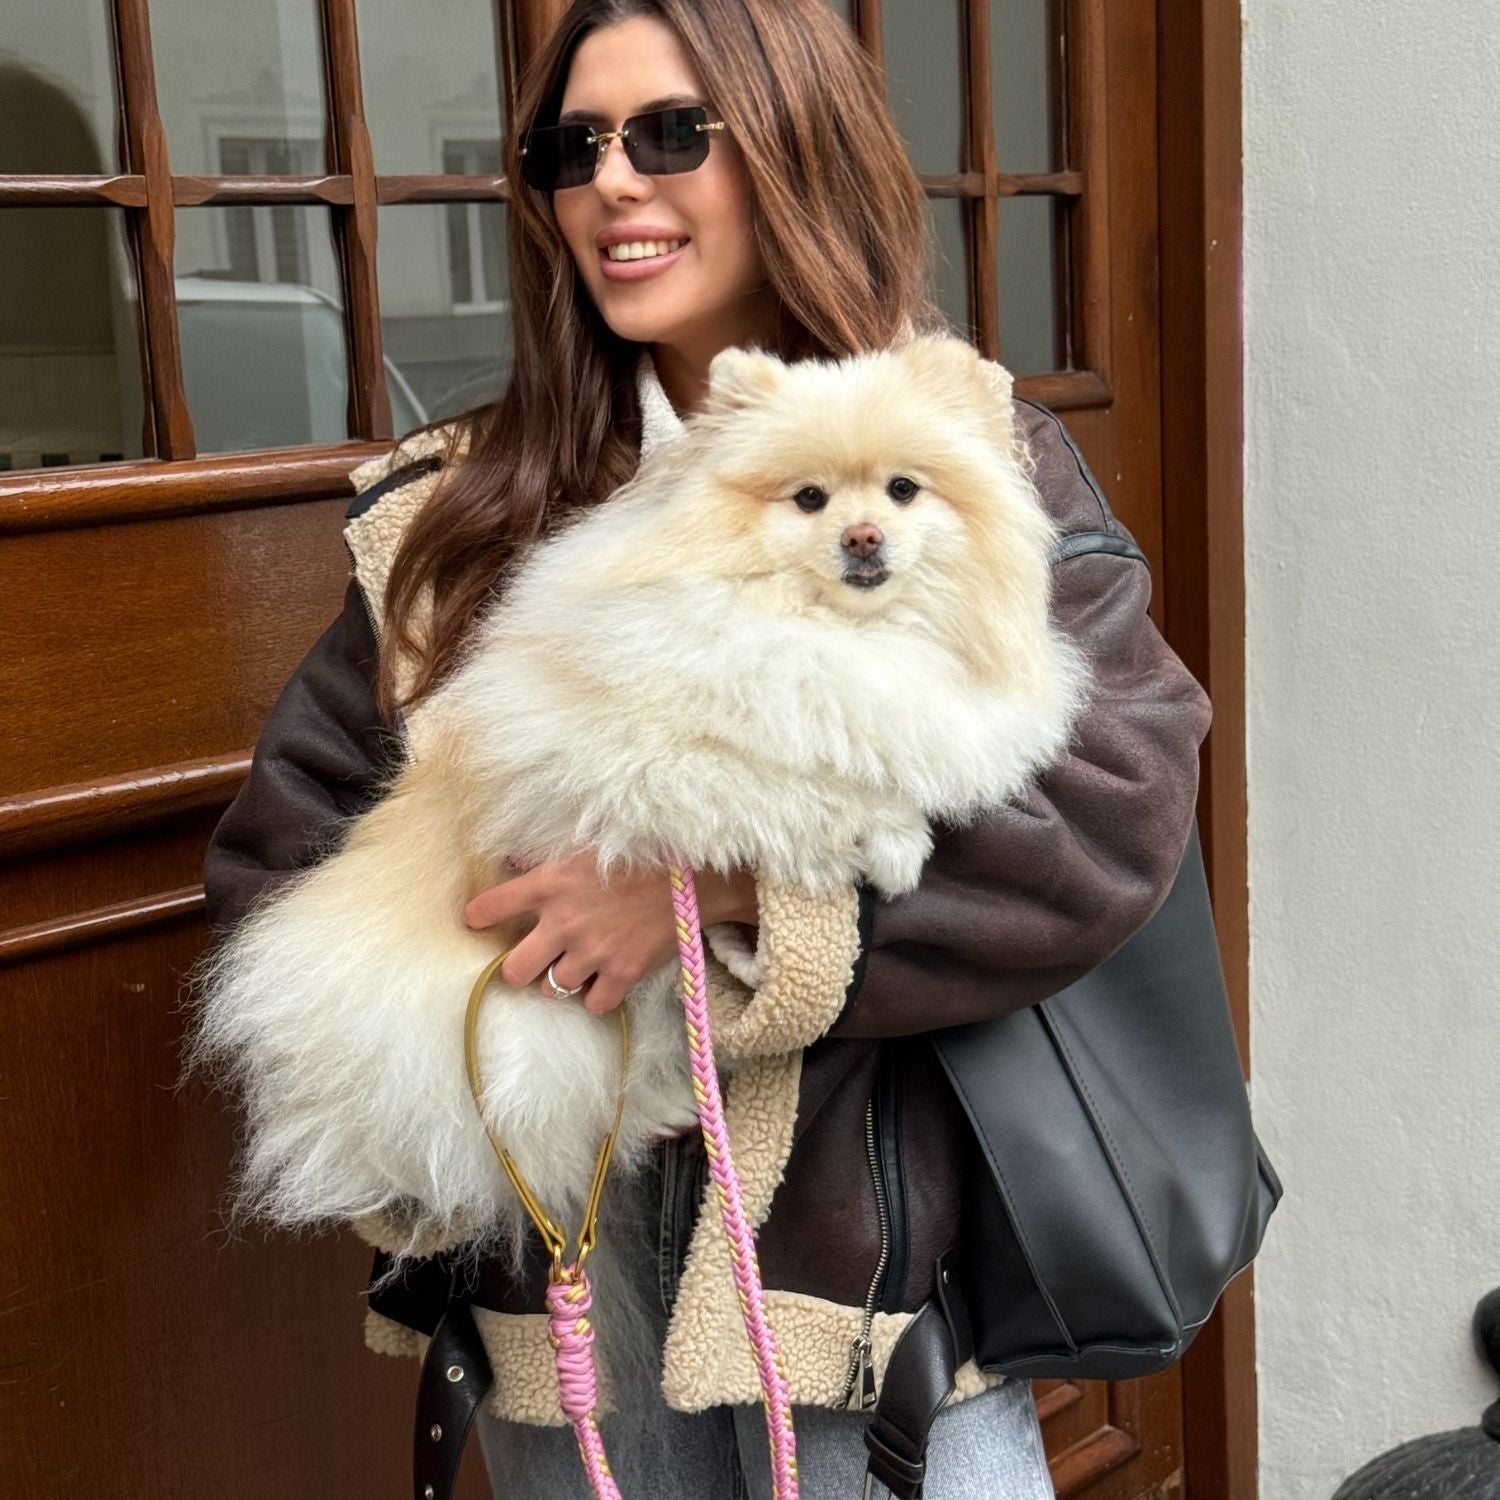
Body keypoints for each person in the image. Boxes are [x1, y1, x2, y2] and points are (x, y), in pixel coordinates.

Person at [200, 1, 1213, 1495]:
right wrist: (458, 988)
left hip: (865, 1288)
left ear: (794, 148)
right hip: (570, 1277)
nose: (615, 181)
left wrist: (724, 895)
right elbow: (284, 851)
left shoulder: (962, 449)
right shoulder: (450, 513)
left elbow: (1111, 814)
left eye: (672, 134)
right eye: (574, 149)